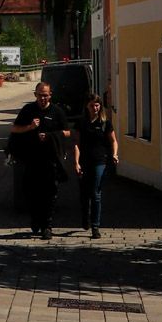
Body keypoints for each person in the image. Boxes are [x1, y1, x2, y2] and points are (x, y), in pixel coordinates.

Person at [9, 83, 68, 239]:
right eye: (40, 95)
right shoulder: (28, 110)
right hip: (32, 158)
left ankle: (47, 226)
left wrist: (51, 136)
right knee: (32, 192)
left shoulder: (57, 111)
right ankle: (36, 219)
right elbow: (14, 129)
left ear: (50, 95)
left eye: (46, 95)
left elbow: (68, 132)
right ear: (35, 95)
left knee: (50, 193)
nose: (43, 98)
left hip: (51, 159)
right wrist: (29, 127)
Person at [72, 93, 118, 238]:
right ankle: (85, 216)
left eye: (97, 105)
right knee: (84, 194)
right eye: (92, 105)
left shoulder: (105, 123)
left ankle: (95, 226)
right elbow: (76, 144)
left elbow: (113, 141)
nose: (95, 108)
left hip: (100, 161)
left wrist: (114, 154)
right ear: (87, 106)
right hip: (85, 161)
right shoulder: (81, 123)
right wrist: (76, 162)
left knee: (95, 193)